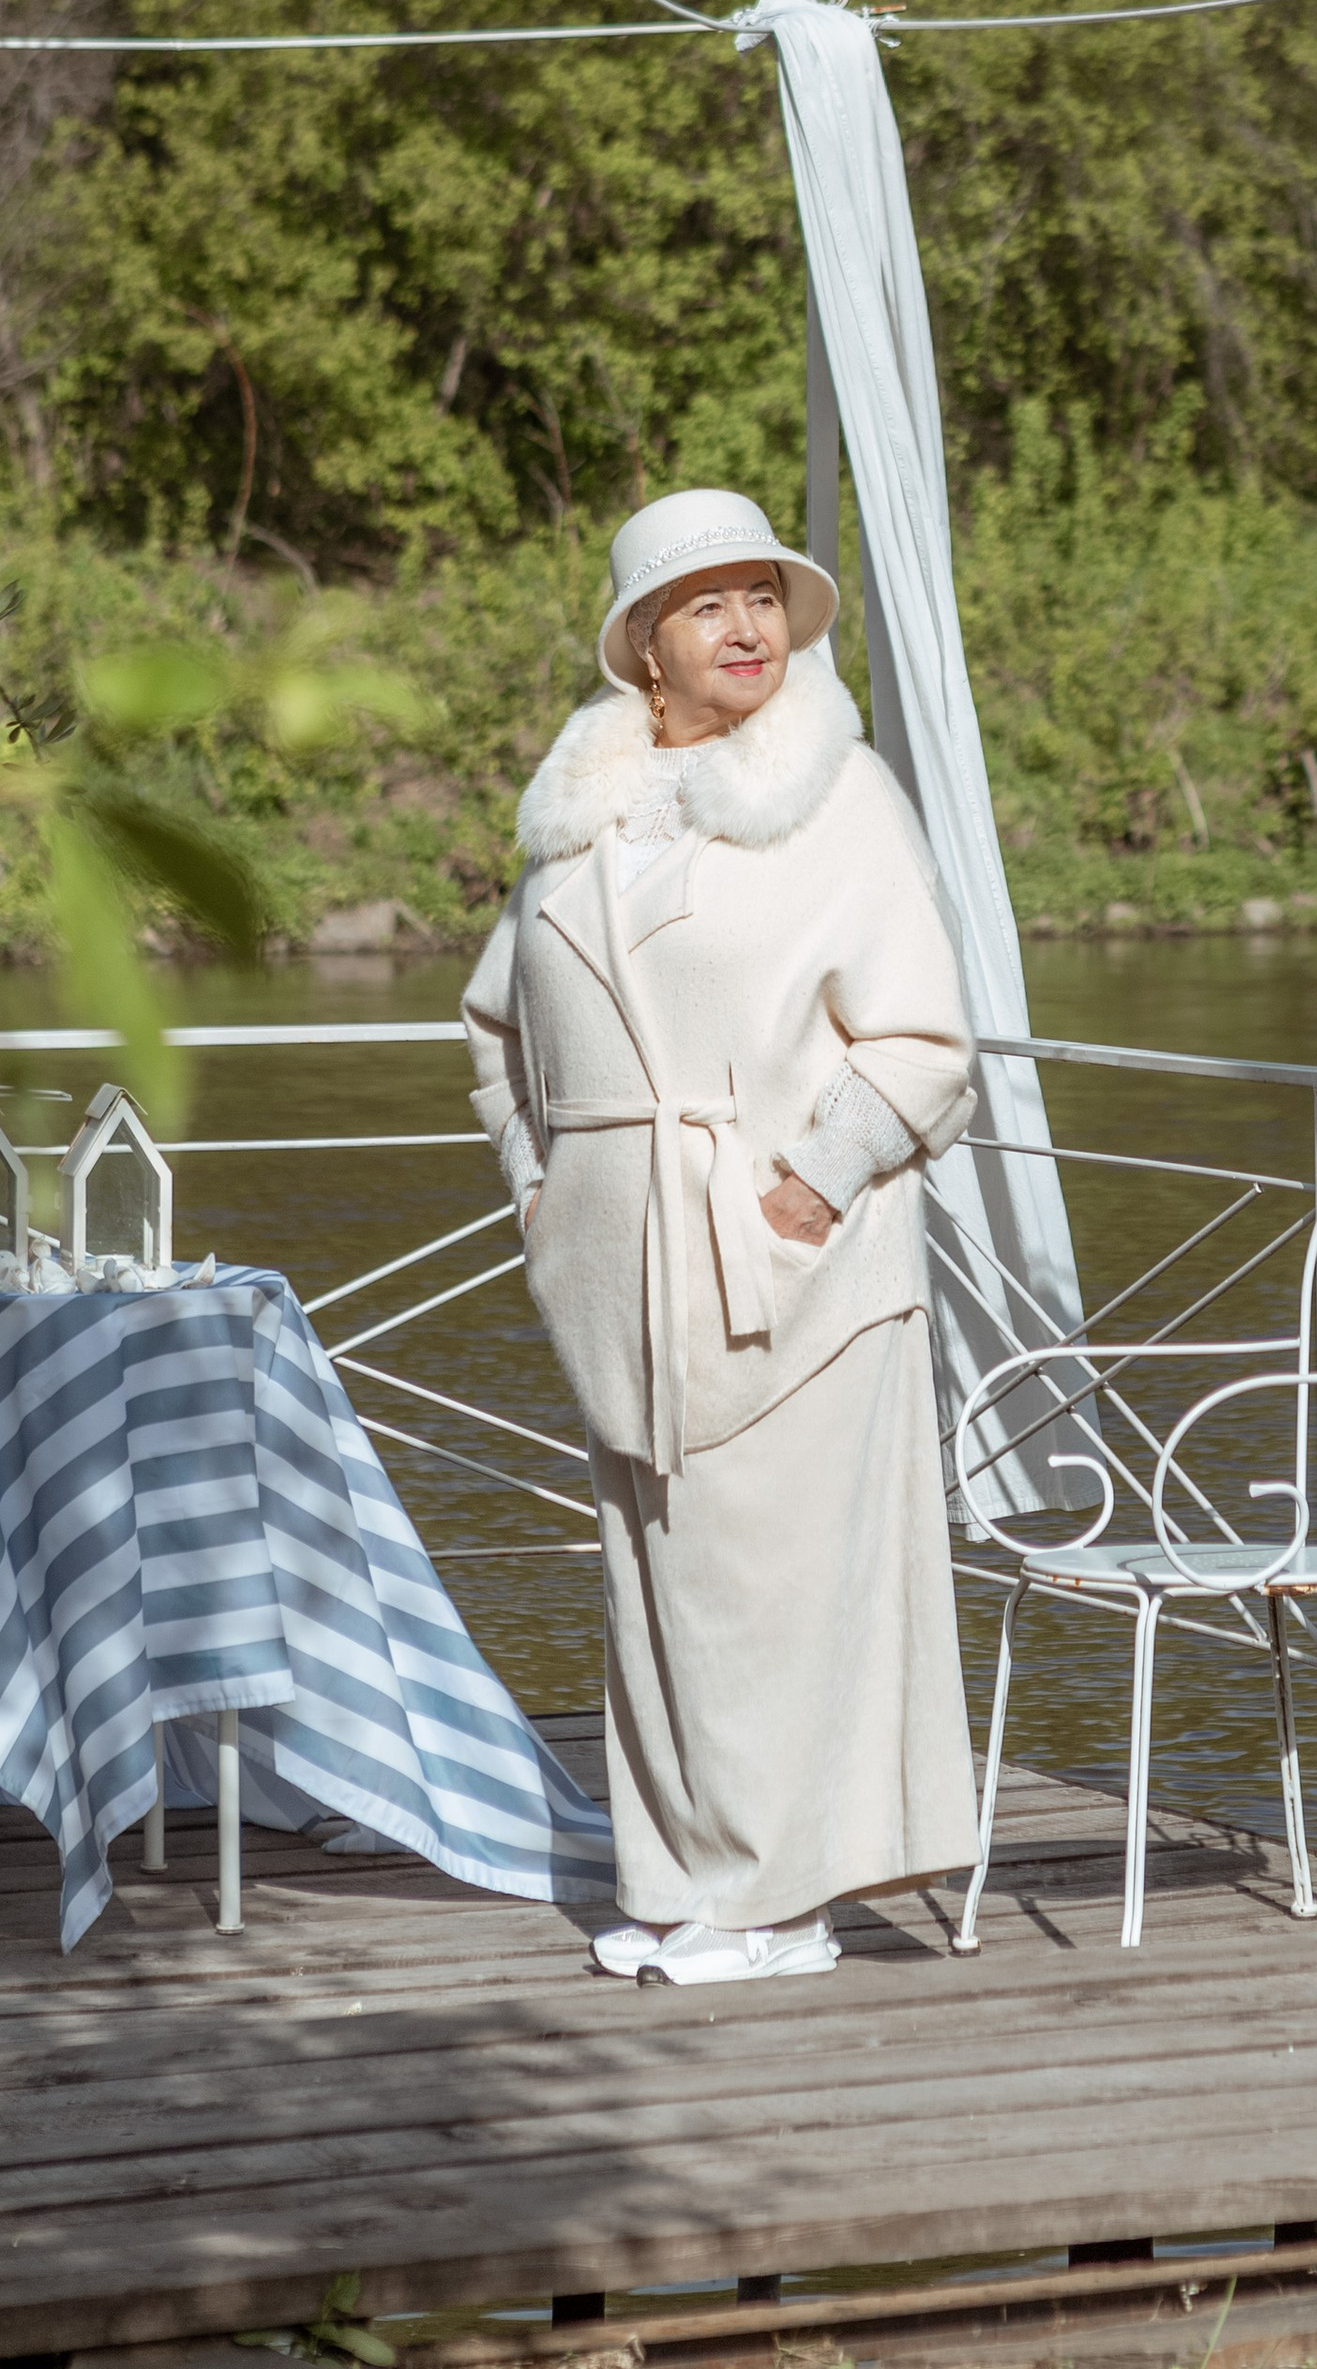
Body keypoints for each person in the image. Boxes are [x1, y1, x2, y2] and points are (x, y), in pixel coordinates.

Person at [463, 486, 980, 1985]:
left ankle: (779, 1906)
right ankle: (687, 1879)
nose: (747, 625)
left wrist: (805, 1189)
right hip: (617, 1268)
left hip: (787, 1264)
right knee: (660, 1584)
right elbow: (498, 1025)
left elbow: (926, 1040)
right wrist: (543, 1183)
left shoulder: (840, 798)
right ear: (645, 645)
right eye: (708, 603)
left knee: (773, 1582)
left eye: (764, 594)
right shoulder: (582, 819)